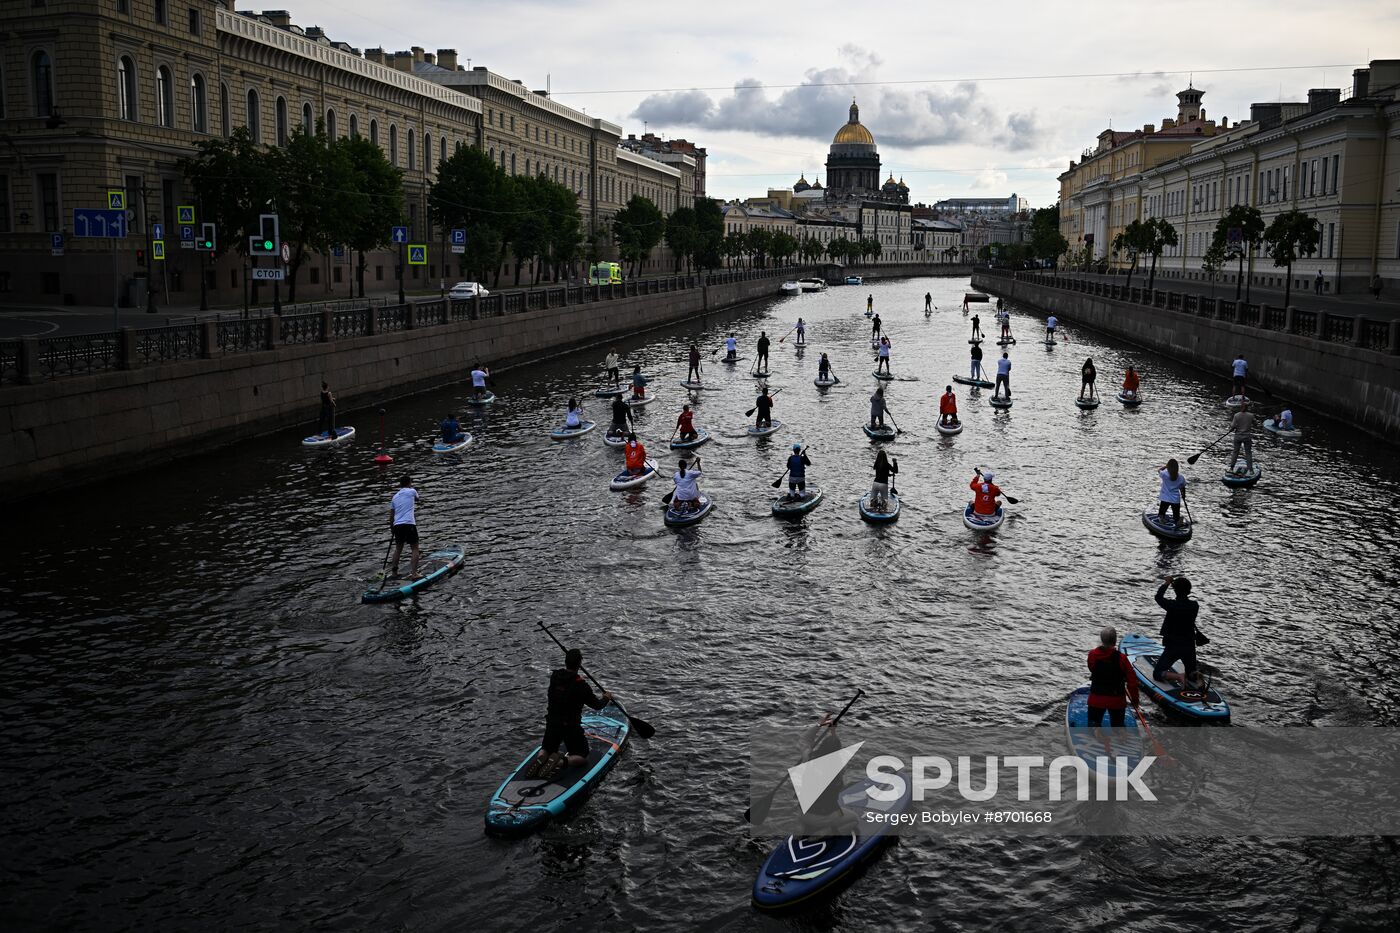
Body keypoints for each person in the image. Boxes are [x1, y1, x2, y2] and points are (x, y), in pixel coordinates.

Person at [534, 648, 612, 772]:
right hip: (570, 727)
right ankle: (559, 762)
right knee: (582, 756)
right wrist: (606, 698)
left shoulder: (555, 677)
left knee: (546, 748)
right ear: (579, 663)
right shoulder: (581, 686)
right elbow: (597, 705)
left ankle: (542, 758)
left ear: (566, 662)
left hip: (552, 722)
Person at [1085, 626, 1141, 728]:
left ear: (1102, 640)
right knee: (1118, 725)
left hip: (1096, 697)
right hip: (1117, 699)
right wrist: (1135, 700)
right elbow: (1132, 682)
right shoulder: (1122, 658)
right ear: (1115, 641)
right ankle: (1119, 733)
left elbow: (1092, 668)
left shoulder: (1092, 655)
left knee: (1093, 723)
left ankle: (1095, 728)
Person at [1154, 576, 1202, 686]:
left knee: (1157, 673)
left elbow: (1158, 597)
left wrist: (1167, 583)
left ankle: (1179, 676)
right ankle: (1197, 677)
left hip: (1173, 646)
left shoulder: (1172, 605)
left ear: (1175, 591)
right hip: (1189, 645)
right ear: (1189, 591)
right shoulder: (1194, 606)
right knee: (1191, 673)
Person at [388, 473, 421, 579]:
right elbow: (417, 499)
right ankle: (414, 573)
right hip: (409, 523)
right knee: (415, 548)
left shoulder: (394, 497)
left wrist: (392, 527)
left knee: (398, 549)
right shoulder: (412, 491)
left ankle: (394, 573)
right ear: (409, 483)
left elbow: (391, 515)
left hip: (397, 525)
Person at [1157, 458, 1187, 524]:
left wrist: (1165, 466)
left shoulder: (1164, 474)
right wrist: (1183, 495)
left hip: (1165, 498)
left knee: (1161, 513)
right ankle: (1178, 520)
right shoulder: (1181, 477)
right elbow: (1182, 487)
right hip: (1175, 499)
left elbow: (1159, 470)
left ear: (1168, 467)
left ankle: (1161, 518)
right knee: (1176, 516)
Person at [1229, 400, 1254, 471]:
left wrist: (1232, 429)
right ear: (1247, 408)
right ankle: (1250, 470)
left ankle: (1231, 468)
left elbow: (1233, 426)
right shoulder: (1251, 415)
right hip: (1247, 436)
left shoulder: (1236, 415)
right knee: (1248, 453)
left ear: (1240, 407)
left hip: (1238, 436)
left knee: (1235, 452)